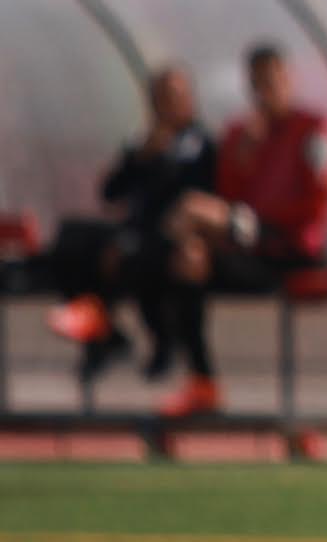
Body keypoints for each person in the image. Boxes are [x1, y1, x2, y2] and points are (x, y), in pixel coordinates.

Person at [158, 44, 327, 418]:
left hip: (290, 245)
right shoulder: (242, 134)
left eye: (273, 81)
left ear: (289, 79)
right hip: (249, 244)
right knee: (189, 259)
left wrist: (255, 216)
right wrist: (242, 157)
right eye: (259, 84)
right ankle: (202, 379)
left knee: (191, 209)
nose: (266, 92)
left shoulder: (315, 131)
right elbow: (228, 193)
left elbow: (317, 204)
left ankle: (154, 338)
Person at [46, 66, 217, 384]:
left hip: (169, 236)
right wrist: (141, 157)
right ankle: (104, 334)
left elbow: (198, 196)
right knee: (71, 238)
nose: (167, 106)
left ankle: (161, 342)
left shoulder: (200, 144)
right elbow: (111, 193)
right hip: (135, 229)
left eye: (174, 97)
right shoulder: (144, 143)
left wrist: (163, 162)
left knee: (132, 254)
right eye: (160, 98)